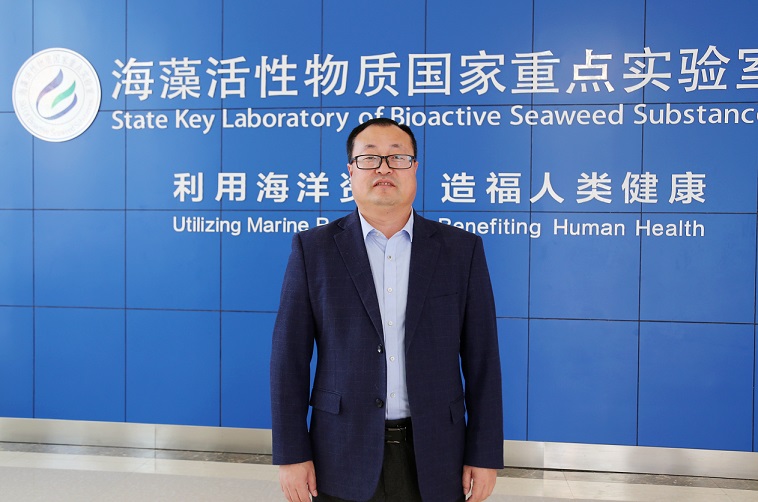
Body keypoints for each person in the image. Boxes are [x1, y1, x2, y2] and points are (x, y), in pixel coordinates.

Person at [270, 118, 503, 502]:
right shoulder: (314, 250)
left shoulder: (461, 251)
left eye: (397, 157)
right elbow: (288, 360)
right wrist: (292, 454)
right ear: (350, 171)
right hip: (340, 450)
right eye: (369, 158)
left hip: (438, 453)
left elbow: (484, 361)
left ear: (415, 168)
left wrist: (484, 453)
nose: (383, 168)